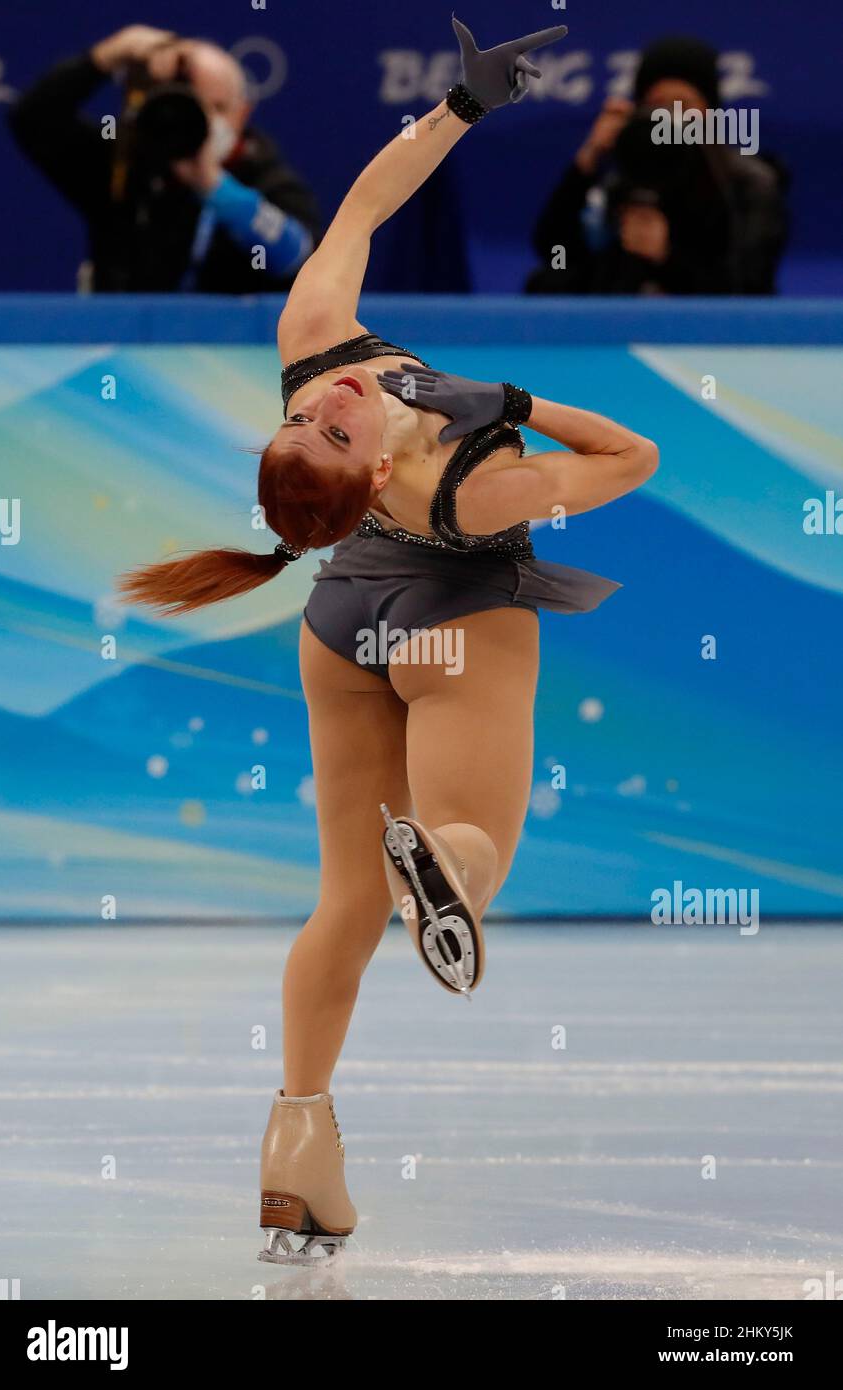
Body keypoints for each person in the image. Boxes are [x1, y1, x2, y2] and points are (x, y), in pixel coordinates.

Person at [119, 17, 658, 1264]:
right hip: (451, 614)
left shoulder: (315, 340)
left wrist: (459, 111)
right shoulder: (476, 483)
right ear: (359, 486)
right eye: (332, 432)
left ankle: (296, 1151)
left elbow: (360, 205)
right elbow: (634, 456)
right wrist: (513, 404)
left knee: (346, 900)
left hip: (337, 621)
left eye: (309, 414)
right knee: (480, 849)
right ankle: (451, 872)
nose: (333, 403)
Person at [7, 25, 319, 293]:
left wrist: (215, 187)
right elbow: (33, 120)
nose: (207, 125)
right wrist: (109, 54)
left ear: (243, 113)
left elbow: (298, 257)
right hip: (119, 351)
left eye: (219, 108)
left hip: (230, 354)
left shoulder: (262, 173)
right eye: (193, 107)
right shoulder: (124, 167)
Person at [526, 35, 788, 295]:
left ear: (710, 111)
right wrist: (588, 159)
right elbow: (555, 253)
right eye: (657, 105)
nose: (670, 120)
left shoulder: (747, 183)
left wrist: (668, 257)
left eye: (683, 105)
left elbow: (750, 285)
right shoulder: (622, 177)